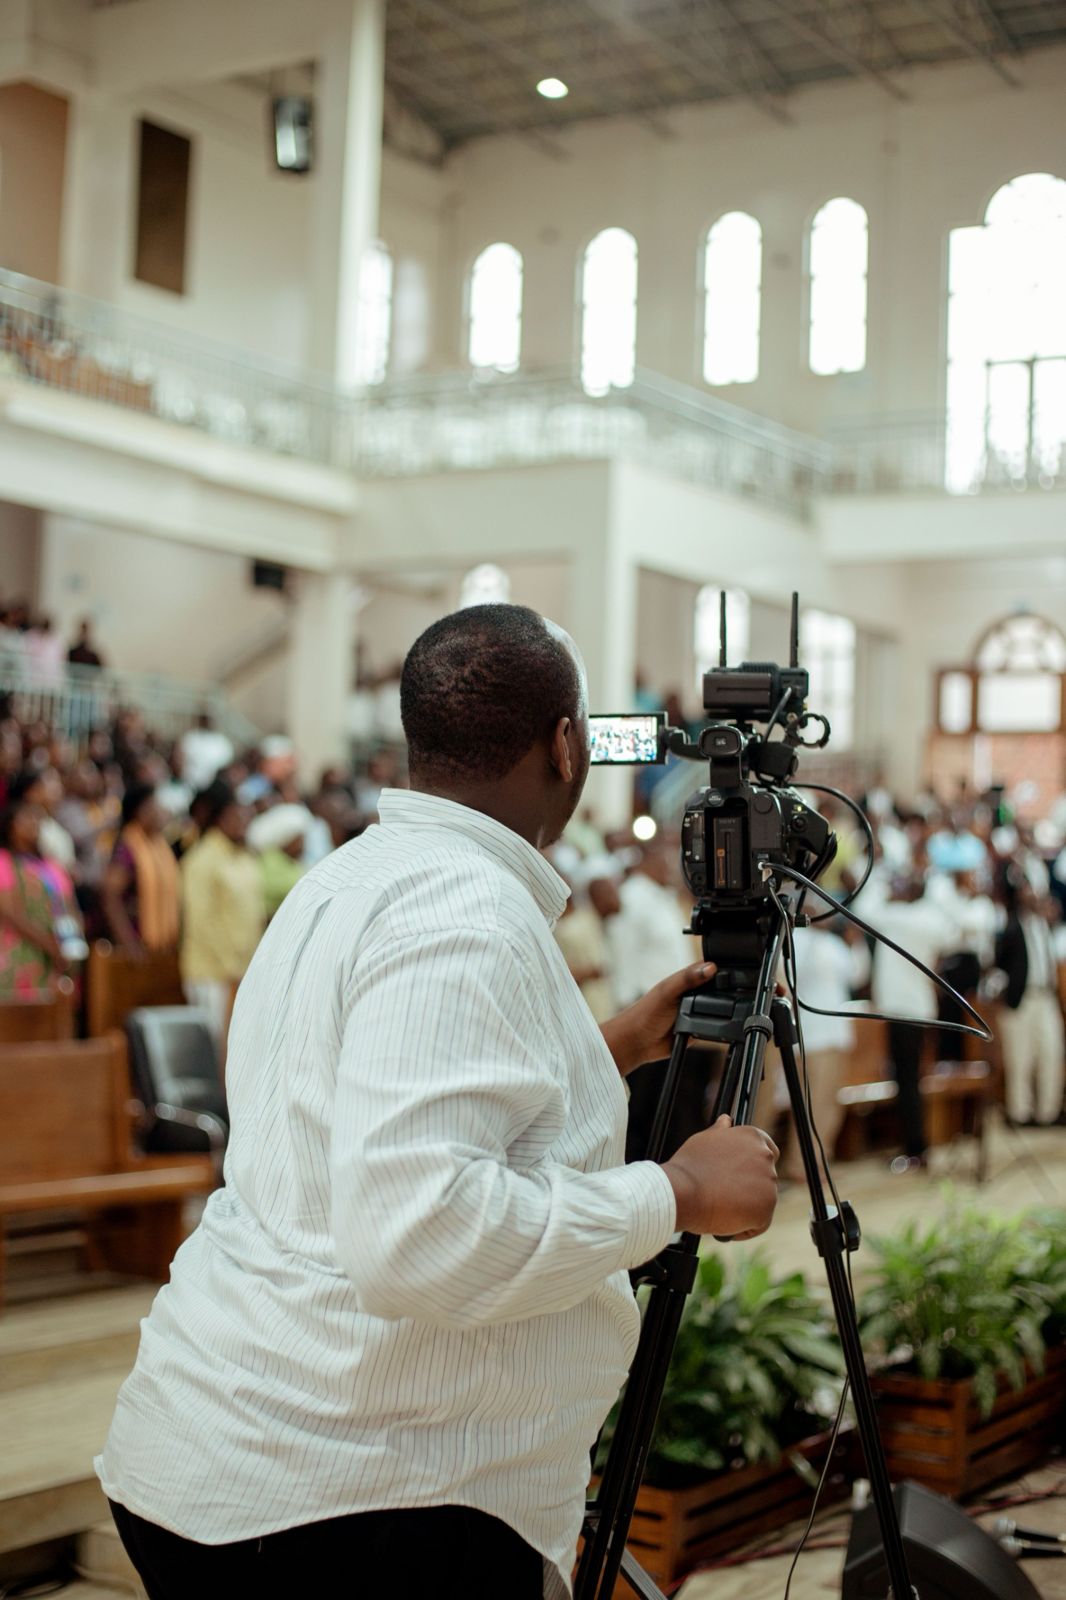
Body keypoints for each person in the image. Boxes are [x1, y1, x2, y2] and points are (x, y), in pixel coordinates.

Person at [97, 604, 778, 1600]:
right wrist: (677, 1190)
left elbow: (367, 1107)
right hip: (352, 1503)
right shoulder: (465, 910)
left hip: (243, 1454)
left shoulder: (352, 875)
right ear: (565, 745)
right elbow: (419, 1232)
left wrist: (604, 1048)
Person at [869, 876, 955, 1172]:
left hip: (902, 1009)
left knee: (906, 1080)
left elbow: (864, 909)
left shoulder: (897, 917)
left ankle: (915, 1149)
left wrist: (881, 886)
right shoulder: (932, 919)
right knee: (911, 1079)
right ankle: (917, 1146)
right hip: (919, 1007)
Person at [179, 781, 263, 1049]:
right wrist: (230, 966)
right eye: (237, 816)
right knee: (217, 1049)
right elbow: (200, 921)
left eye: (246, 816)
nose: (244, 822)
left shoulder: (246, 857)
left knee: (242, 1047)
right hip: (211, 971)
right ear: (221, 818)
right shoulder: (201, 859)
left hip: (244, 969)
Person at [994, 878, 1065, 1127]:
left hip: (1046, 997)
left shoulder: (1045, 926)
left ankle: (1049, 1111)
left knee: (1051, 1053)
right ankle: (1019, 1113)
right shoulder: (1011, 928)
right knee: (1020, 1057)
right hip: (1021, 998)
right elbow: (999, 964)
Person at [0, 796, 76, 998]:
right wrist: (50, 946)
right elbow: (10, 913)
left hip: (56, 955)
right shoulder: (4, 862)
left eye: (37, 818)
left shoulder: (52, 867)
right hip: (18, 951)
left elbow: (68, 909)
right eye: (26, 818)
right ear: (10, 825)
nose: (33, 823)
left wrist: (70, 946)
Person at [102, 785, 182, 956]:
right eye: (154, 806)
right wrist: (129, 943)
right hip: (137, 947)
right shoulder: (128, 847)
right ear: (139, 812)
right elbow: (111, 897)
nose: (160, 812)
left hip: (163, 947)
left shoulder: (160, 844)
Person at [246, 803, 310, 920]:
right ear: (286, 839)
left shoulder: (292, 861)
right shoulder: (270, 859)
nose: (302, 845)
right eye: (298, 840)